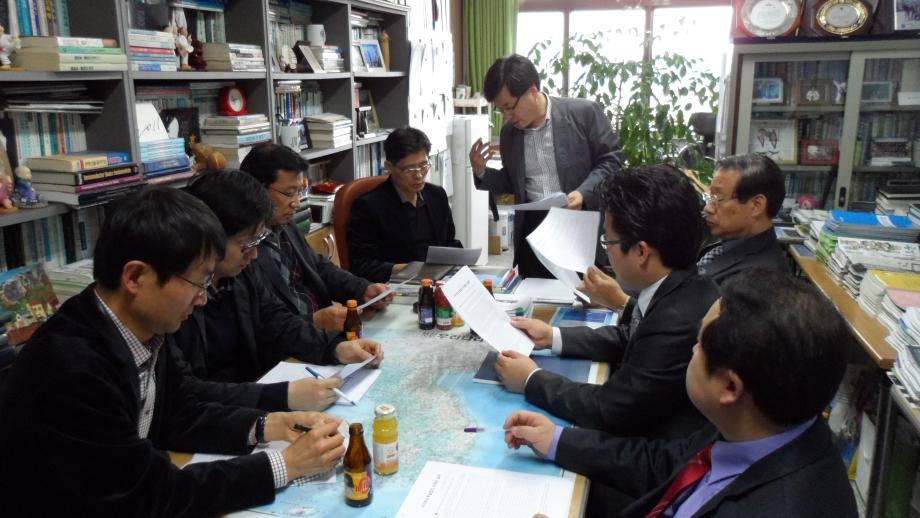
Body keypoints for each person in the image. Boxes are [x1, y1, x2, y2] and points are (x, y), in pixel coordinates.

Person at [0, 187, 347, 516]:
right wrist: (285, 465)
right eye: (199, 283)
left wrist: (267, 424)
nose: (203, 299)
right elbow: (150, 497)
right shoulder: (72, 369)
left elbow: (180, 413)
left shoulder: (141, 326)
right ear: (135, 277)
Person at [503, 270, 857, 518]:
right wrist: (557, 440)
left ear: (730, 387)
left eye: (699, 343)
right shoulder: (761, 425)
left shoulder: (781, 504)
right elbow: (664, 464)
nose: (690, 349)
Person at [496, 165, 719, 440]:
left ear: (641, 252)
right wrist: (552, 336)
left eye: (608, 241)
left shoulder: (676, 319)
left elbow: (610, 409)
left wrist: (531, 379)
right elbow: (633, 337)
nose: (607, 252)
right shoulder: (685, 285)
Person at [174, 170, 382, 404]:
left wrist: (335, 348)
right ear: (210, 238)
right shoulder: (177, 299)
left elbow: (278, 321)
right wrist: (282, 397)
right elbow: (189, 395)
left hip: (253, 397)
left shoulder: (240, 273)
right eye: (246, 244)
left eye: (258, 241)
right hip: (227, 410)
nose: (254, 254)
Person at [469, 54, 621, 278]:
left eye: (510, 107)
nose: (507, 117)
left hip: (578, 224)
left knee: (581, 293)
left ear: (532, 91)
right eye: (501, 110)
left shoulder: (584, 113)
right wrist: (481, 171)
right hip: (534, 229)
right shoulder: (510, 133)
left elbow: (611, 160)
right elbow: (512, 182)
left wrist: (583, 193)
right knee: (535, 292)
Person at [580, 154, 788, 309]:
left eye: (718, 198)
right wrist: (613, 291)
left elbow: (693, 330)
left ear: (756, 205)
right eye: (709, 197)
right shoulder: (723, 240)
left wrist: (622, 301)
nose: (708, 208)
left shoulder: (762, 279)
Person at [240, 143, 392, 333]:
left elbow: (319, 267)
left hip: (324, 331)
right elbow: (263, 326)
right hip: (296, 338)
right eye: (289, 193)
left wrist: (363, 290)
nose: (296, 203)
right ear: (257, 189)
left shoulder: (284, 224)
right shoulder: (244, 250)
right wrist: (313, 321)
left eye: (299, 191)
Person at [348, 127, 463, 282]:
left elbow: (449, 242)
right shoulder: (368, 207)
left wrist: (461, 258)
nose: (419, 175)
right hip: (397, 285)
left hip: (440, 281)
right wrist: (413, 269)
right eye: (409, 169)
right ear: (389, 167)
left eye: (423, 166)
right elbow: (363, 266)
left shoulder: (437, 195)